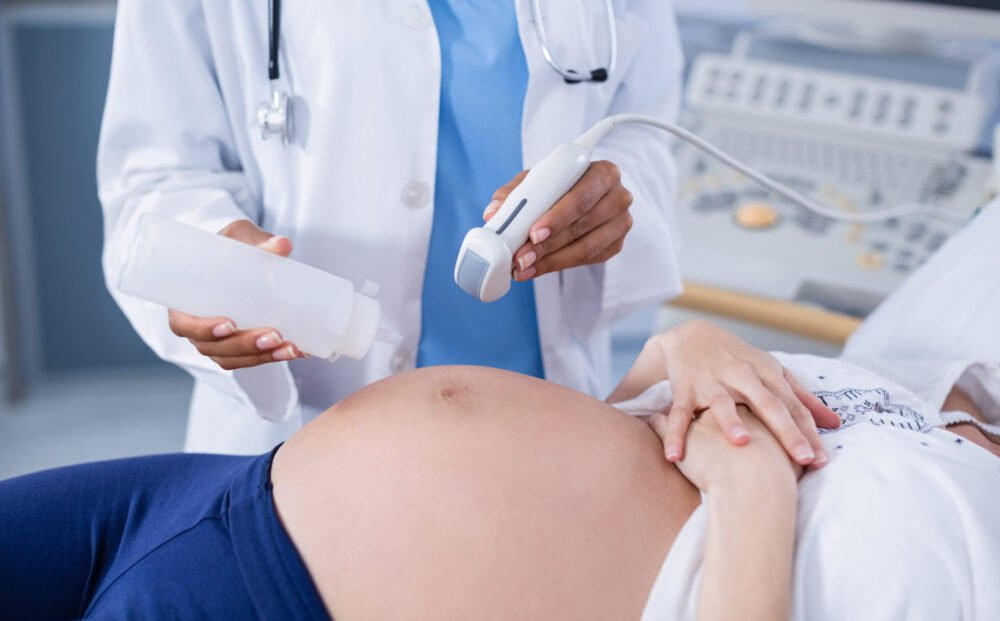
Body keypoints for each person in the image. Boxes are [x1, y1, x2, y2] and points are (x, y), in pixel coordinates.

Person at [2, 202, 998, 619]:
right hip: (211, 492)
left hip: (289, 601)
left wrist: (755, 496)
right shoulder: (919, 388)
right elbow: (618, 463)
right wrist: (678, 349)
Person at [98, 0, 699, 454]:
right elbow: (156, 170)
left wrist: (615, 198)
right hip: (305, 427)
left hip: (544, 419)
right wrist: (211, 259)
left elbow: (645, 128)